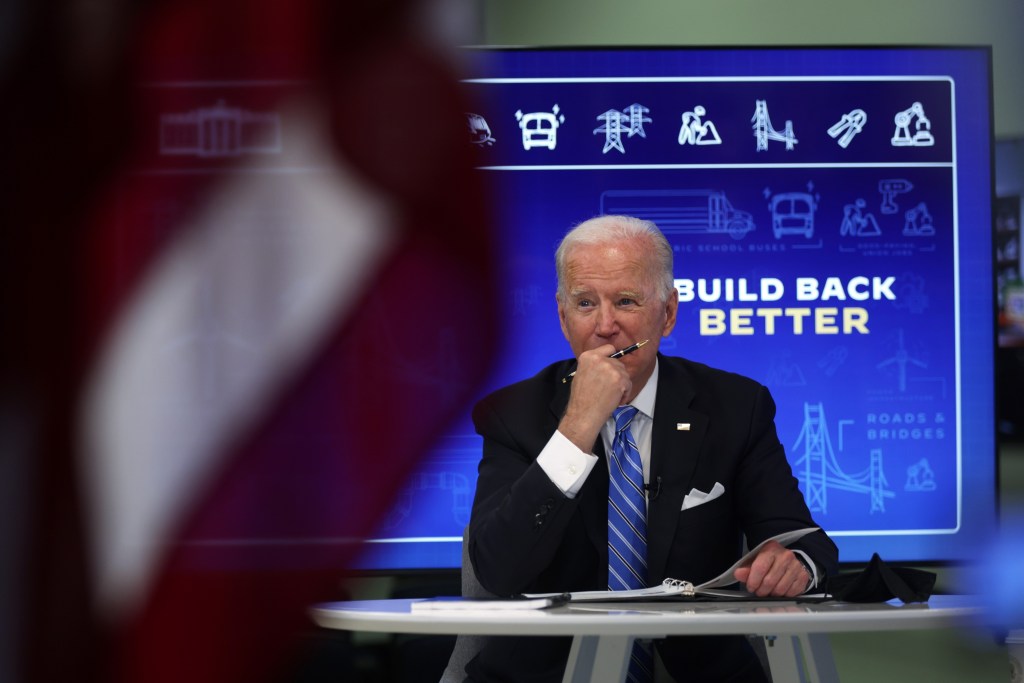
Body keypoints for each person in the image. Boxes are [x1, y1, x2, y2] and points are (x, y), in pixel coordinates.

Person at [464, 215, 838, 682]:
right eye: (585, 303)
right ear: (562, 317)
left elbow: (805, 542)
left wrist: (794, 566)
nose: (605, 325)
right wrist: (577, 427)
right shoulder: (512, 414)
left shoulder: (735, 407)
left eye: (626, 301)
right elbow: (499, 569)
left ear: (668, 312)